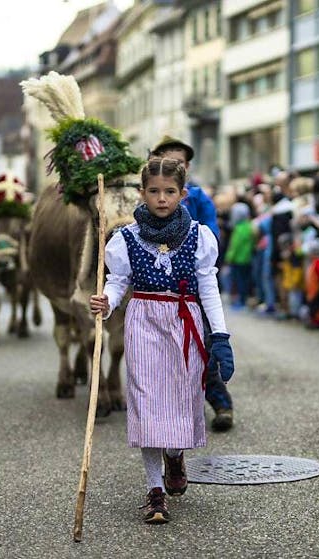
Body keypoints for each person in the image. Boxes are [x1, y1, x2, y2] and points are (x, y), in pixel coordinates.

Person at [89, 156, 234, 525]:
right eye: (154, 191)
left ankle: (174, 454)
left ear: (183, 194)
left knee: (183, 402)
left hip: (184, 324)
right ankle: (155, 492)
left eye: (170, 192)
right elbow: (119, 281)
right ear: (142, 193)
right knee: (147, 404)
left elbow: (209, 287)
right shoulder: (125, 238)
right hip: (144, 323)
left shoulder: (200, 236)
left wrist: (219, 334)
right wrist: (106, 302)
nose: (162, 198)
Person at [150, 136, 234, 432]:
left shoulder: (198, 198)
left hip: (192, 289)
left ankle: (221, 404)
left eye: (182, 164)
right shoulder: (146, 199)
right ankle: (167, 412)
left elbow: (211, 238)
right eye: (171, 162)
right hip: (156, 294)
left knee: (205, 347)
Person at [224, 202, 254, 309]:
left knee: (238, 281)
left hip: (237, 259)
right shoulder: (249, 226)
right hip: (247, 258)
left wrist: (229, 257)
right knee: (245, 281)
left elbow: (234, 246)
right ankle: (243, 300)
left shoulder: (238, 228)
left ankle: (240, 301)